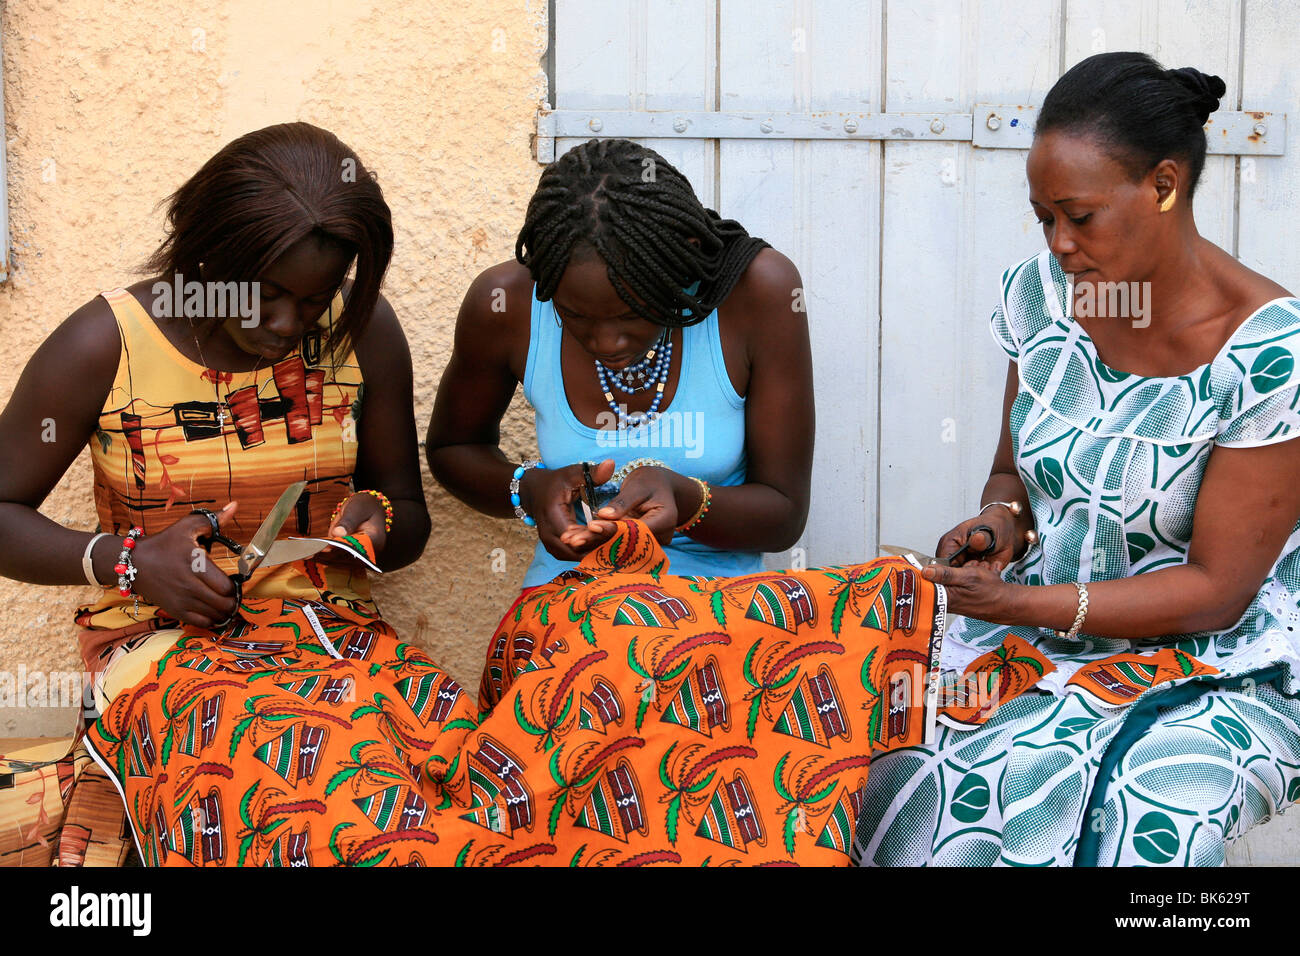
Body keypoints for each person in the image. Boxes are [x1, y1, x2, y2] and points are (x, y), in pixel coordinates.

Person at [0, 123, 938, 867]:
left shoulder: (359, 337)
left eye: (315, 299)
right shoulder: (105, 345)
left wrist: (367, 530)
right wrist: (125, 559)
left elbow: (403, 518)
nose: (288, 326)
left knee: (469, 775)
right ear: (205, 255)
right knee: (290, 781)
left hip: (336, 638)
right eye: (264, 298)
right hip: (169, 648)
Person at [856, 53, 1300, 867]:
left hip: (1221, 662)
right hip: (1042, 624)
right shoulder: (1048, 297)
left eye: (1080, 216)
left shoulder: (1269, 354)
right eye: (1042, 218)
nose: (1059, 244)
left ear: (1164, 185)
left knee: (1146, 810)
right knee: (884, 750)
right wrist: (999, 525)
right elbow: (1012, 477)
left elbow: (1216, 591)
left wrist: (1022, 609)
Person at [426, 138, 814, 586]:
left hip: (715, 606)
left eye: (633, 313)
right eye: (574, 316)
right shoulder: (505, 304)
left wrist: (686, 501)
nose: (606, 342)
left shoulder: (758, 292)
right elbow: (453, 449)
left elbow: (784, 515)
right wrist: (530, 491)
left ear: (677, 264)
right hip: (570, 600)